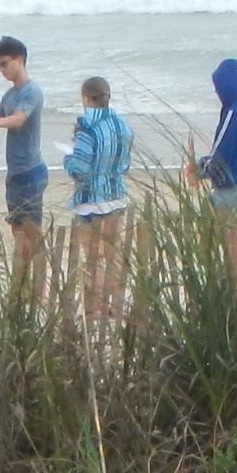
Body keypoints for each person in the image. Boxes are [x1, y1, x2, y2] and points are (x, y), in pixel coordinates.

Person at [60, 75, 134, 318]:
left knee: (93, 258)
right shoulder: (122, 125)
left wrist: (67, 159)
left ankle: (95, 308)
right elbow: (124, 165)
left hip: (91, 199)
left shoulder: (87, 127)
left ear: (85, 98)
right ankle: (115, 306)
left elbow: (79, 169)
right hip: (117, 195)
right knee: (112, 254)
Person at [0, 36, 47, 283]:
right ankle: (22, 281)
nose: (1, 70)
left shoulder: (32, 91)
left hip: (31, 170)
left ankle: (36, 284)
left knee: (32, 233)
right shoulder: (10, 94)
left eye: (4, 63)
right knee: (17, 230)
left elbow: (19, 119)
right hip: (15, 172)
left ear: (20, 60)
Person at [190, 56, 237, 276]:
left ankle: (229, 284)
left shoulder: (234, 112)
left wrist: (199, 169)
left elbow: (220, 153)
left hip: (230, 187)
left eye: (218, 87)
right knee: (236, 240)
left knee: (216, 240)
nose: (216, 92)